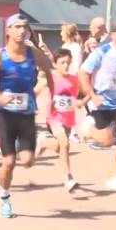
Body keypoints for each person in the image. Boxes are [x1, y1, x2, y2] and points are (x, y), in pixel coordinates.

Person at [0, 14, 54, 217]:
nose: (22, 30)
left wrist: (52, 95)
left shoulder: (33, 53)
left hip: (26, 114)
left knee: (28, 161)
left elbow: (48, 71)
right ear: (8, 31)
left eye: (24, 27)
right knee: (9, 161)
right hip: (4, 115)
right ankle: (4, 198)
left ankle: (36, 145)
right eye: (17, 27)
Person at [79, 21, 116, 191]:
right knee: (106, 140)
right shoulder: (101, 52)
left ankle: (115, 176)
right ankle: (88, 129)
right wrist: (92, 95)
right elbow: (83, 72)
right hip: (102, 101)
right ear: (112, 35)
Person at [35, 49, 86, 191]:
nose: (66, 65)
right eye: (62, 63)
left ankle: (44, 142)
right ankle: (68, 177)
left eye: (68, 63)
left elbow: (83, 94)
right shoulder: (51, 78)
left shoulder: (74, 80)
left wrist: (81, 102)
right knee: (64, 144)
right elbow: (35, 90)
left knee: (60, 147)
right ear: (55, 64)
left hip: (68, 120)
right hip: (53, 118)